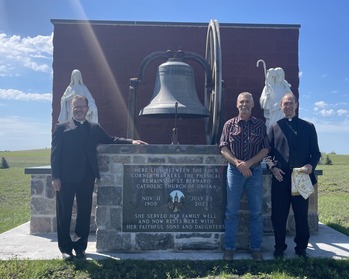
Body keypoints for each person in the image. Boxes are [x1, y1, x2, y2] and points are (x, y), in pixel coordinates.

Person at [51, 95, 147, 261]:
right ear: (71, 108)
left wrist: (131, 142)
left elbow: (111, 140)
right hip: (65, 179)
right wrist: (55, 177)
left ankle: (80, 248)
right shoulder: (61, 128)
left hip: (86, 178)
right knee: (64, 214)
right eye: (76, 107)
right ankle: (65, 249)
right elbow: (55, 154)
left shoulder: (95, 128)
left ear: (87, 109)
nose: (79, 109)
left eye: (82, 106)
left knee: (84, 214)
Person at [266, 92, 321, 259]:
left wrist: (311, 165)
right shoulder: (275, 128)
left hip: (301, 178)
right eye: (285, 104)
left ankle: (301, 248)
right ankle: (280, 247)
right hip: (281, 178)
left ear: (296, 105)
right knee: (278, 215)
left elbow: (316, 153)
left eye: (291, 103)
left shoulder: (308, 127)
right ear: (281, 106)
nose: (288, 106)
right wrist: (273, 168)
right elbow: (267, 154)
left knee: (301, 216)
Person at [219, 92, 269, 261]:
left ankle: (255, 248)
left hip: (254, 173)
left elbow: (265, 149)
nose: (244, 104)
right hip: (234, 172)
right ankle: (229, 248)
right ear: (237, 104)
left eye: (247, 101)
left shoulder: (260, 126)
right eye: (241, 101)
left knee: (256, 212)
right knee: (231, 212)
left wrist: (248, 164)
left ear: (253, 104)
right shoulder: (229, 125)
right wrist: (238, 164)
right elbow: (223, 148)